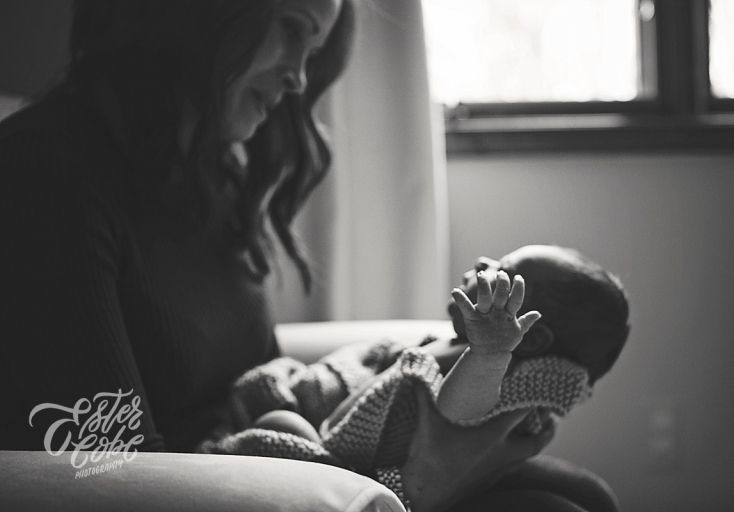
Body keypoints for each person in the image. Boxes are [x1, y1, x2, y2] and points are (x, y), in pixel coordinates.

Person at [0, 1, 618, 510]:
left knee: (583, 498)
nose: (299, 76)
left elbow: (262, 373)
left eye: (314, 48)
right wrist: (426, 478)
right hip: (214, 485)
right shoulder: (44, 178)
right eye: (293, 30)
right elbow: (102, 473)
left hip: (286, 454)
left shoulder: (207, 165)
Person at [249, 244, 629, 464]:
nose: (484, 262)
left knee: (282, 424)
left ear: (528, 340)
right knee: (278, 400)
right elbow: (380, 360)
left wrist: (487, 355)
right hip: (321, 396)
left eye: (504, 271)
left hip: (330, 445)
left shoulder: (495, 376)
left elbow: (456, 411)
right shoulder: (454, 343)